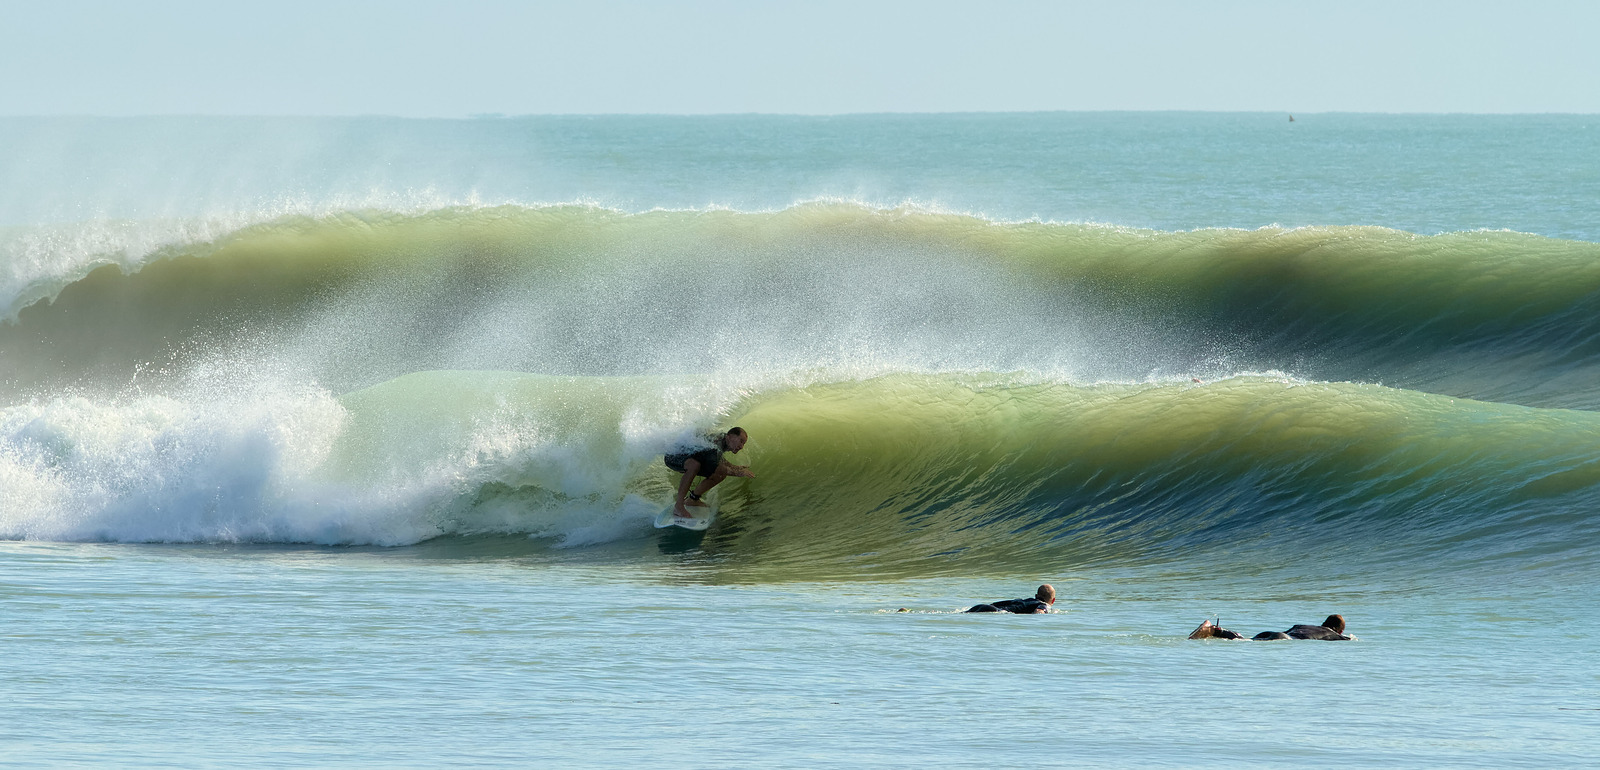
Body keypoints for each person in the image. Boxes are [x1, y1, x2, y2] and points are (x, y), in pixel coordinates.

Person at [664, 427, 753, 518]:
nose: (742, 446)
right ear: (729, 436)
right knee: (694, 465)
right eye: (741, 441)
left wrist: (734, 467)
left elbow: (718, 458)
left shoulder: (724, 440)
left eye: (744, 443)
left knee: (720, 475)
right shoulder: (716, 442)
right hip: (673, 457)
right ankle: (678, 506)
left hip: (690, 457)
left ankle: (693, 499)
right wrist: (738, 473)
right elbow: (715, 466)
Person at [1187, 613, 1352, 641]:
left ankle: (1216, 630)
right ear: (1340, 630)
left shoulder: (1303, 625)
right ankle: (1215, 631)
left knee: (1246, 640)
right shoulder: (1333, 635)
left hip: (1274, 633)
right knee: (1244, 641)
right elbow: (1346, 640)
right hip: (1284, 639)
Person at [966, 584, 1055, 614]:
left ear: (1036, 596)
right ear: (1053, 600)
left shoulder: (1023, 600)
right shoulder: (1044, 605)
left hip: (985, 606)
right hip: (993, 611)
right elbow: (1039, 612)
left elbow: (1000, 603)